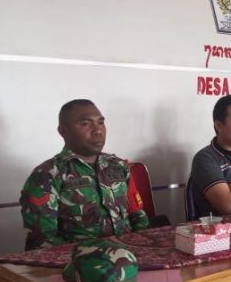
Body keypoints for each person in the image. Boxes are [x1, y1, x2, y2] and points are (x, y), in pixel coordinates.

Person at [20, 99, 148, 250]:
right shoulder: (46, 176)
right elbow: (42, 240)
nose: (98, 130)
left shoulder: (119, 166)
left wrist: (141, 248)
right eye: (86, 124)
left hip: (129, 255)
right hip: (78, 261)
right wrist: (91, 257)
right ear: (63, 131)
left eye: (101, 123)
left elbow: (138, 216)